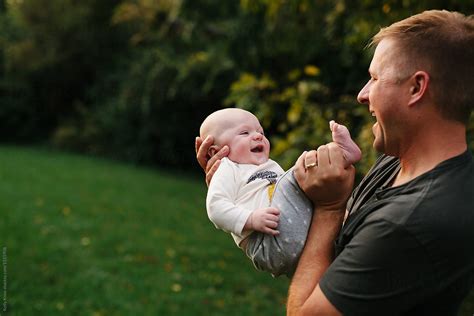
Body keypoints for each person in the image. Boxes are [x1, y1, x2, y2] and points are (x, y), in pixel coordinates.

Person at [196, 9, 474, 315]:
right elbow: (341, 249)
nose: (362, 95)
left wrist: (329, 209)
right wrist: (242, 185)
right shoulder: (399, 163)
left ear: (416, 88)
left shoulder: (409, 221)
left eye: (374, 78)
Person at [199, 108, 361, 276]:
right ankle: (342, 155)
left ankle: (346, 222)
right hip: (266, 242)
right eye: (244, 133)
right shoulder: (227, 167)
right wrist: (250, 219)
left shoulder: (270, 166)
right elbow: (215, 207)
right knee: (301, 172)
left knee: (302, 187)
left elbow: (291, 199)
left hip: (297, 241)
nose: (257, 136)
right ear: (214, 152)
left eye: (260, 131)